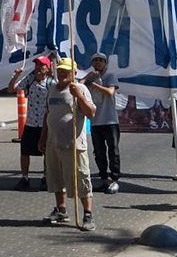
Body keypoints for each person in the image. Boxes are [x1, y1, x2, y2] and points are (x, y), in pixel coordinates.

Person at [40, 58, 97, 231]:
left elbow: (91, 112)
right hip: (53, 142)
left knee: (81, 178)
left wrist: (79, 96)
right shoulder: (52, 89)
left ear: (74, 73)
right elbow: (47, 114)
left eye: (66, 71)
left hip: (73, 144)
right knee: (56, 178)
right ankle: (61, 209)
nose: (62, 73)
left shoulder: (80, 89)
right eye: (60, 70)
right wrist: (43, 137)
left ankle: (87, 214)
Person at [9, 56, 52, 191]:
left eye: (42, 65)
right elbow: (12, 89)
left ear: (48, 68)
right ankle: (25, 178)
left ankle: (46, 177)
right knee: (25, 151)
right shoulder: (30, 79)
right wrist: (15, 76)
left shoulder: (52, 83)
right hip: (31, 122)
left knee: (47, 152)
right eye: (37, 65)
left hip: (45, 123)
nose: (38, 68)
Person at [84, 53, 120, 194]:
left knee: (113, 150)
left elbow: (110, 92)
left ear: (105, 63)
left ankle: (115, 179)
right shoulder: (91, 77)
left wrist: (94, 85)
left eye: (100, 60)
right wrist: (88, 78)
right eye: (95, 60)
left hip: (110, 120)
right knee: (99, 152)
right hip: (95, 121)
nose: (97, 63)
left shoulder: (110, 76)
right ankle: (103, 178)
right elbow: (79, 86)